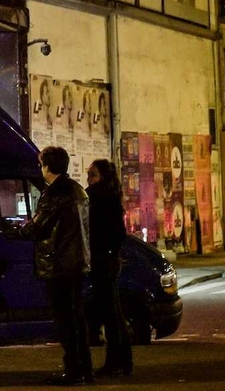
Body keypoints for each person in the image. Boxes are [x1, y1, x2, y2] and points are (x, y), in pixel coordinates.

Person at [4, 146, 93, 386]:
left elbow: (38, 227)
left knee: (65, 320)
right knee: (77, 318)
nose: (40, 168)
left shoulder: (54, 194)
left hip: (59, 264)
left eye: (41, 164)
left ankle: (73, 371)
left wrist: (14, 230)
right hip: (77, 263)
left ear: (47, 167)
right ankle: (85, 369)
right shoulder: (78, 191)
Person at [86, 159, 133, 378]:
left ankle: (116, 361)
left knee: (110, 313)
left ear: (102, 177)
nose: (89, 179)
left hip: (102, 260)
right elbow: (120, 234)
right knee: (114, 312)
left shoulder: (96, 197)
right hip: (109, 259)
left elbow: (106, 232)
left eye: (93, 174)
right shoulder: (112, 197)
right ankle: (123, 360)